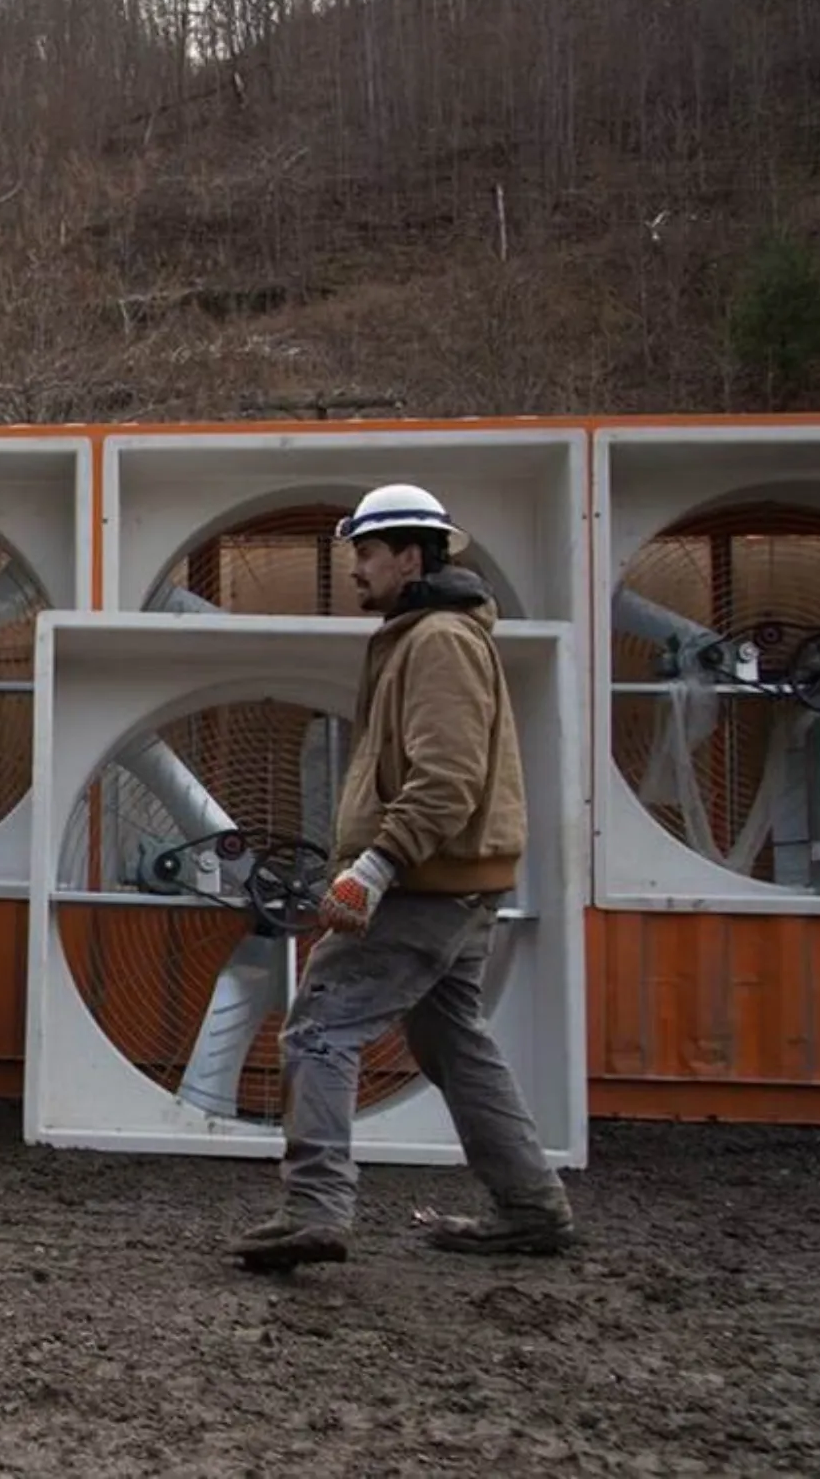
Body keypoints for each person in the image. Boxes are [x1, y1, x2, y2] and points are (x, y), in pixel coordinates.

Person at [229, 483, 575, 1271]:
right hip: (453, 879)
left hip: (424, 882)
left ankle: (316, 1210)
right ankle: (530, 1207)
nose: (355, 569)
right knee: (451, 1038)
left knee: (319, 1025)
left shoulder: (438, 642)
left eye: (367, 553)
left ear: (411, 556)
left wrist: (375, 868)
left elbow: (447, 777)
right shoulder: (426, 635)